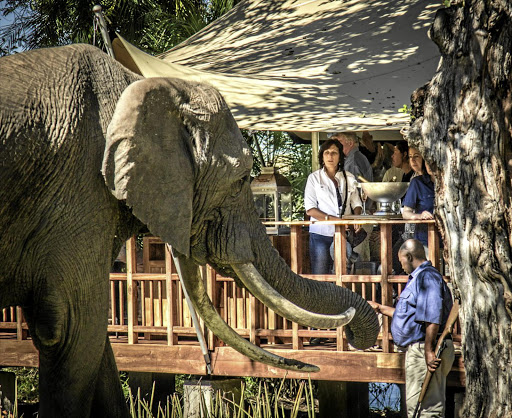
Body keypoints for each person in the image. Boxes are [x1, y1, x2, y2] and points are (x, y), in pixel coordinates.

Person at [368, 239, 454, 417]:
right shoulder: (419, 278)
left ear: (409, 256)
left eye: (401, 261)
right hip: (421, 348)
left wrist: (429, 351)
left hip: (425, 348)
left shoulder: (427, 277)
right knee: (418, 406)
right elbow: (411, 315)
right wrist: (380, 308)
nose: (402, 266)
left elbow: (432, 314)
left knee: (426, 409)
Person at [304, 139, 363, 275]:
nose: (330, 156)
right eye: (327, 153)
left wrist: (357, 218)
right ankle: (319, 297)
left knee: (342, 273)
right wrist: (335, 220)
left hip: (343, 233)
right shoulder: (314, 178)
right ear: (322, 156)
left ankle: (342, 297)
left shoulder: (348, 177)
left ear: (340, 157)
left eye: (334, 153)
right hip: (321, 233)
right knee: (320, 274)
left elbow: (357, 203)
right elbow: (310, 209)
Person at [402, 148, 435, 248]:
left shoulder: (450, 184)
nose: (429, 163)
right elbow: (406, 213)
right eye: (410, 157)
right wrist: (420, 216)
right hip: (425, 239)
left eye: (416, 156)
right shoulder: (417, 182)